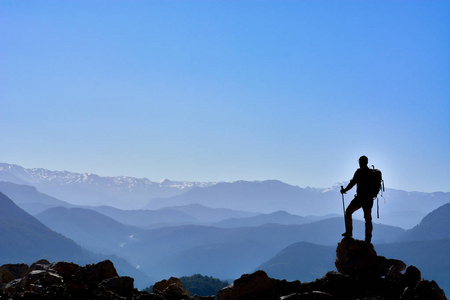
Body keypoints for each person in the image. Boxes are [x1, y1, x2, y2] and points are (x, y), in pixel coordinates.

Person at [340, 155, 375, 243]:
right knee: (368, 219)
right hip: (369, 200)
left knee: (348, 212)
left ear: (362, 162)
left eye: (360, 162)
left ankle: (349, 232)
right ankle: (368, 239)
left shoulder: (359, 172)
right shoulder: (371, 173)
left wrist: (344, 190)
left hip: (360, 198)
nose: (359, 163)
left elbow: (352, 183)